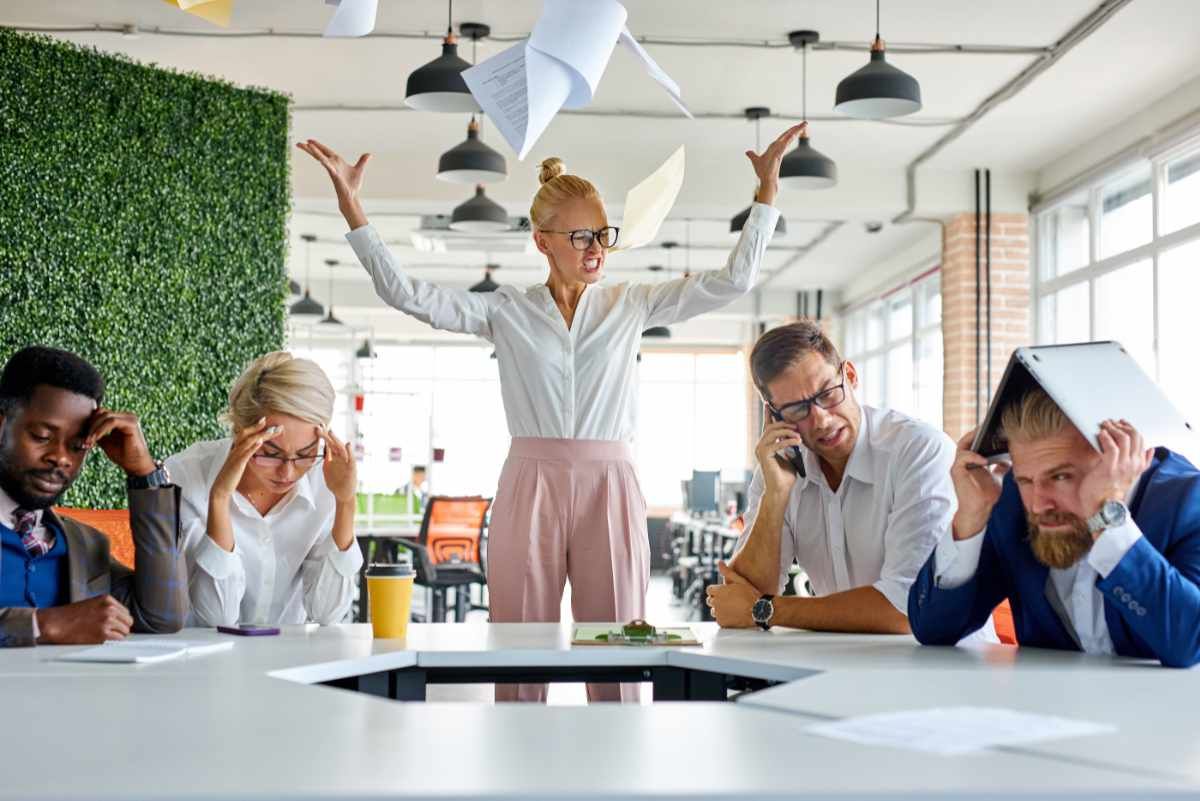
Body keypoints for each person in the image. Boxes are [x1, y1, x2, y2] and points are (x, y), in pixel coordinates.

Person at [297, 122, 803, 702]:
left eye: (603, 236)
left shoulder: (631, 303)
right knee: (518, 647)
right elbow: (408, 295)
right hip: (529, 480)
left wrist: (766, 193)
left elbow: (734, 281)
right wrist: (353, 209)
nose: (596, 250)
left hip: (609, 482)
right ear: (543, 241)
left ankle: (618, 770)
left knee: (616, 647)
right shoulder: (506, 310)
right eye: (581, 237)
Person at [707, 320, 967, 636]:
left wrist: (765, 609)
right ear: (774, 416)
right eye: (796, 409)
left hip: (943, 670)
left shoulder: (919, 450)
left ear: (851, 376)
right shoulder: (780, 467)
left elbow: (907, 608)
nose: (821, 419)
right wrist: (774, 497)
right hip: (845, 663)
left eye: (827, 394)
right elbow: (743, 593)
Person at [908, 389, 1200, 667]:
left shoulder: (1189, 502)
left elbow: (1190, 642)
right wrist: (970, 515)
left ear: (1125, 459)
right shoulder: (1010, 501)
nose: (1037, 504)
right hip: (1046, 714)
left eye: (1060, 477)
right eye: (1025, 480)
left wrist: (1106, 515)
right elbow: (934, 629)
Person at [0, 346, 187, 646]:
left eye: (77, 446)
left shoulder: (85, 546)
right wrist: (42, 625)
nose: (60, 458)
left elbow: (161, 616)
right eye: (42, 437)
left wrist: (144, 475)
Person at [166, 352, 362, 627]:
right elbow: (216, 617)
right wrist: (220, 497)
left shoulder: (326, 480)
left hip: (290, 661)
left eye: (306, 453)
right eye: (270, 453)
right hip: (202, 661)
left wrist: (345, 502)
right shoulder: (185, 477)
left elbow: (328, 612)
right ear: (239, 431)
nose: (288, 472)